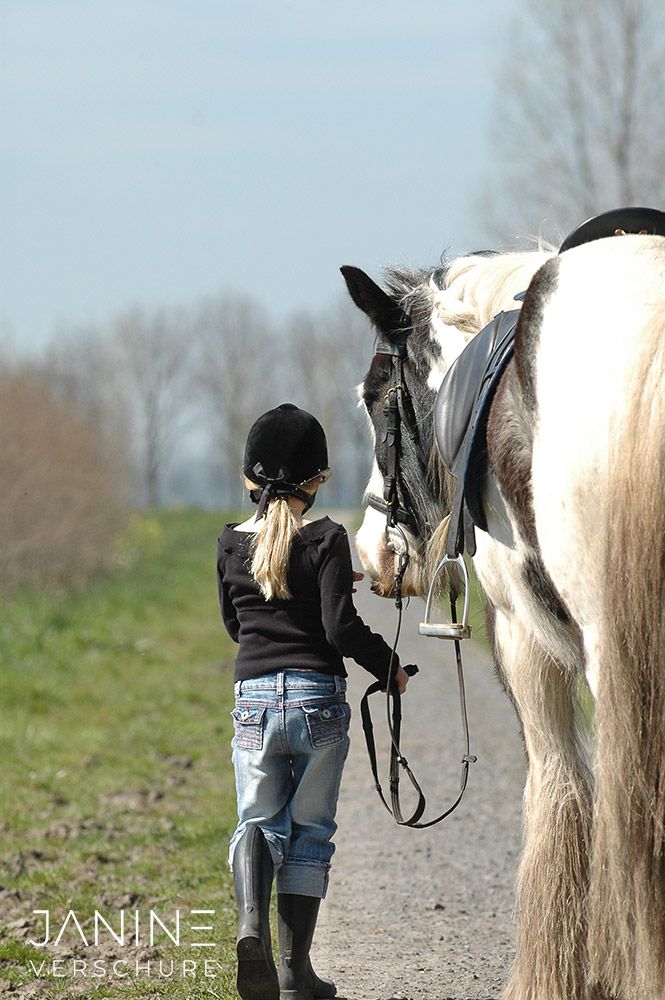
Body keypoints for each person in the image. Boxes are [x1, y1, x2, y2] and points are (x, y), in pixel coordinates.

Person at [217, 403, 412, 1000]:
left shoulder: (228, 543)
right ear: (317, 480)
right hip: (317, 704)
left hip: (254, 699)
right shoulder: (327, 538)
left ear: (250, 479)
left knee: (258, 820)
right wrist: (389, 668)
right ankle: (296, 974)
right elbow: (338, 629)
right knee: (310, 830)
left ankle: (252, 924)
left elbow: (235, 624)